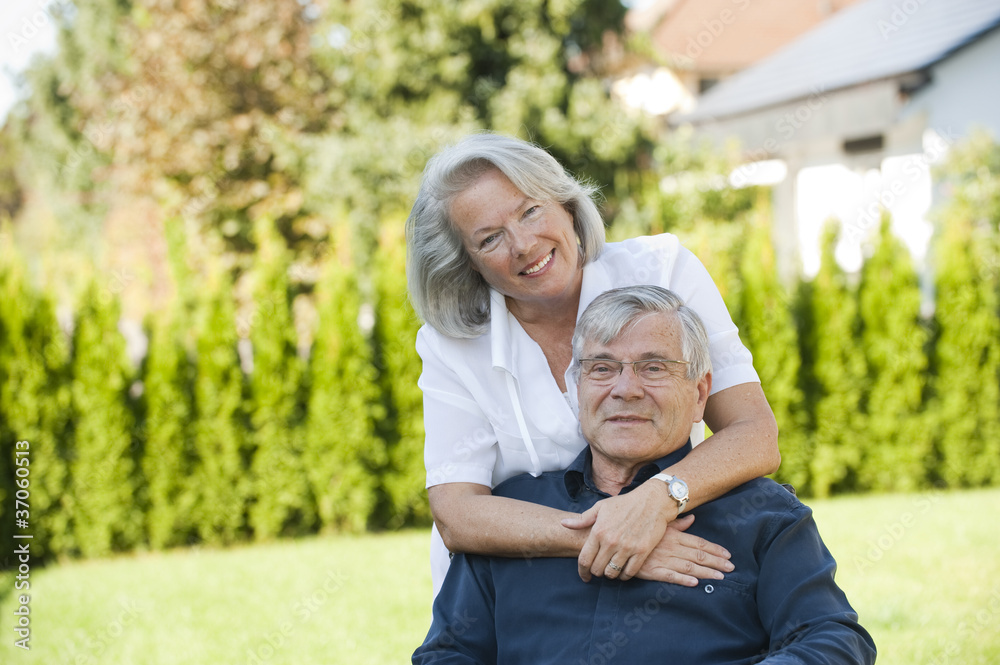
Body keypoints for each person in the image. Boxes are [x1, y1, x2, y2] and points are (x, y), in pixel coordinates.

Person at [413, 286, 876, 665]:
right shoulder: (513, 514)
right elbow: (447, 654)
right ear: (578, 390)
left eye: (653, 368)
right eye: (602, 368)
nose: (625, 388)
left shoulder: (762, 515)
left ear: (699, 395)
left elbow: (833, 641)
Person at [406, 133, 780, 595]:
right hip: (515, 594)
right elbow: (457, 513)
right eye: (490, 238)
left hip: (669, 574)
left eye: (530, 211)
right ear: (466, 262)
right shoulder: (451, 345)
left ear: (566, 204)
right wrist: (612, 535)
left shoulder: (663, 271)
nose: (523, 244)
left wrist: (656, 501)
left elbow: (754, 435)